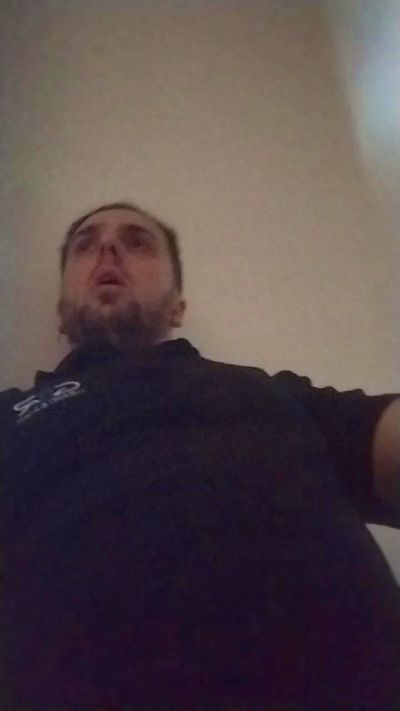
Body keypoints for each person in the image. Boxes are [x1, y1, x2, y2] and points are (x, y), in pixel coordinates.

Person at [2, 201, 400, 711]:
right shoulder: (11, 416)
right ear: (60, 311)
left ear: (177, 307)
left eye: (137, 241)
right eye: (85, 244)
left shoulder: (267, 392)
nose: (108, 248)